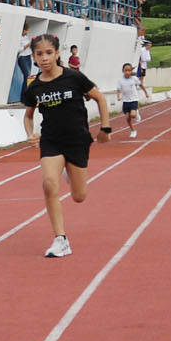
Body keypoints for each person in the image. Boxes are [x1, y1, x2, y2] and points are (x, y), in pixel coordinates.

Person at [22, 33, 111, 258]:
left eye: (49, 53)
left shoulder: (74, 77)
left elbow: (100, 98)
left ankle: (70, 173)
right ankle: (60, 239)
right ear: (33, 56)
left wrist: (105, 128)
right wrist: (30, 134)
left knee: (79, 196)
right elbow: (29, 115)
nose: (44, 58)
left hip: (77, 140)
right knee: (49, 184)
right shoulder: (34, 87)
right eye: (39, 54)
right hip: (51, 140)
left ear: (57, 53)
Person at [115, 62, 148, 138]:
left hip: (133, 100)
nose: (127, 72)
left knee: (132, 115)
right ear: (123, 71)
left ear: (131, 71)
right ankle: (133, 130)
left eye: (129, 70)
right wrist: (118, 96)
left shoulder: (134, 79)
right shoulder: (120, 80)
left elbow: (141, 85)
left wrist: (146, 92)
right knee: (127, 118)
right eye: (125, 70)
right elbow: (118, 90)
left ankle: (136, 112)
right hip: (125, 101)